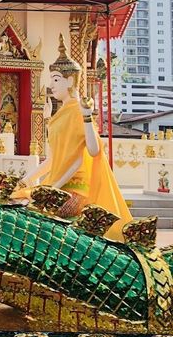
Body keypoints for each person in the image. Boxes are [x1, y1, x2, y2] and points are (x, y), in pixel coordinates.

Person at [12, 34, 132, 241]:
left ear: (70, 80)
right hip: (57, 184)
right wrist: (26, 179)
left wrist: (54, 188)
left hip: (74, 189)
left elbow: (87, 155)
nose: (51, 85)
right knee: (15, 199)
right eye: (51, 79)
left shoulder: (78, 110)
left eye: (56, 79)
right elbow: (53, 159)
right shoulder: (59, 115)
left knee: (32, 218)